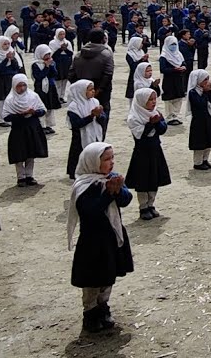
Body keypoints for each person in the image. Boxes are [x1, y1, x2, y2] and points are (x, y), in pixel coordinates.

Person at [68, 141, 133, 334]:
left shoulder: (112, 178)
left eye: (112, 158)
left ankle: (104, 308)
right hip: (92, 242)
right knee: (92, 281)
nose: (111, 162)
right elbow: (89, 211)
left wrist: (118, 190)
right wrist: (108, 194)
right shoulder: (84, 185)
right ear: (92, 162)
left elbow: (126, 199)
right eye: (106, 159)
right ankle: (90, 313)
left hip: (111, 237)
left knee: (107, 276)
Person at [124, 87, 170, 221]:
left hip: (155, 151)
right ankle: (143, 207)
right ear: (141, 101)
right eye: (150, 99)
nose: (153, 102)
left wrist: (158, 123)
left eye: (154, 99)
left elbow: (162, 129)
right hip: (142, 153)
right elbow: (140, 135)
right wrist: (151, 124)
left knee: (154, 179)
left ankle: (151, 204)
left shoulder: (155, 113)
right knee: (143, 181)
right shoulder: (134, 117)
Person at [2, 75, 48, 187]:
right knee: (19, 154)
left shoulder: (33, 96)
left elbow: (42, 110)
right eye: (19, 86)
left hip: (32, 127)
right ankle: (20, 177)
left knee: (30, 153)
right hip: (19, 129)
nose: (22, 88)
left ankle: (29, 175)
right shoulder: (10, 100)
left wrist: (33, 113)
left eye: (24, 85)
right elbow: (6, 116)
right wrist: (20, 115)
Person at [72, 29, 115, 137]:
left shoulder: (78, 54)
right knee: (101, 116)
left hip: (82, 90)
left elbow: (71, 74)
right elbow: (108, 74)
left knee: (81, 115)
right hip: (101, 91)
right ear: (102, 39)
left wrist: (80, 89)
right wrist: (99, 90)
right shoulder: (106, 54)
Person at [65, 80, 105, 180]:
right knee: (79, 154)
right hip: (80, 136)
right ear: (81, 91)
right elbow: (76, 124)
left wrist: (99, 115)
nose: (93, 91)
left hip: (94, 133)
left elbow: (102, 118)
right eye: (90, 90)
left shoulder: (95, 102)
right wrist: (91, 116)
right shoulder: (73, 107)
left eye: (93, 89)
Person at [182, 68, 211, 172]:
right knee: (200, 143)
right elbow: (200, 104)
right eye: (204, 80)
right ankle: (198, 162)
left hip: (208, 119)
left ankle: (205, 159)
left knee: (208, 141)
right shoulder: (193, 92)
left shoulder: (206, 91)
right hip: (198, 122)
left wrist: (208, 91)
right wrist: (205, 93)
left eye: (207, 79)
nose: (207, 82)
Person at [0, 36, 24, 128]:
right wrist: (6, 59)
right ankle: (2, 120)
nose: (7, 46)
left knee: (13, 98)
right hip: (2, 80)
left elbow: (17, 67)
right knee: (2, 100)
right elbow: (0, 69)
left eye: (8, 44)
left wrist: (12, 59)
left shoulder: (13, 53)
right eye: (5, 44)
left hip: (12, 79)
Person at [158, 36, 189, 126]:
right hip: (169, 80)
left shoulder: (179, 54)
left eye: (175, 44)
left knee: (178, 98)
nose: (174, 46)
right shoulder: (164, 56)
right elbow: (163, 69)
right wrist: (174, 69)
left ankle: (176, 115)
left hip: (178, 79)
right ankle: (169, 116)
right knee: (169, 99)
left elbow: (184, 63)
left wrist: (183, 67)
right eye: (171, 44)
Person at [31, 45, 61, 133]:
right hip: (40, 88)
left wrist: (50, 66)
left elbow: (54, 74)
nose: (48, 56)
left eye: (49, 54)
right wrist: (46, 67)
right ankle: (42, 126)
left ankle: (49, 125)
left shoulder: (52, 62)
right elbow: (39, 76)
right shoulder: (36, 64)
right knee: (42, 106)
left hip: (50, 87)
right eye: (45, 54)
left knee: (50, 106)